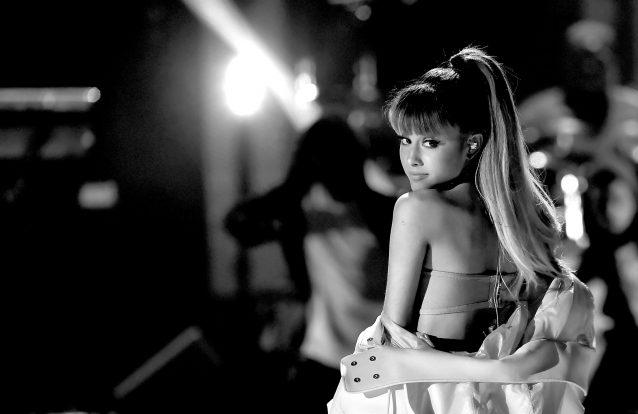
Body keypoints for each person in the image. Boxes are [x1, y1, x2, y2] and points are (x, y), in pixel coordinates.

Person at [327, 47, 596, 414]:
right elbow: (545, 343)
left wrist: (498, 370)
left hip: (426, 397)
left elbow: (392, 343)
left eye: (430, 142)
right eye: (405, 139)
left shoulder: (416, 209)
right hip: (500, 401)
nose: (412, 159)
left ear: (472, 143)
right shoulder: (529, 219)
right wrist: (500, 371)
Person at [224, 114, 397, 414]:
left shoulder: (384, 211)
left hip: (378, 357)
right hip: (323, 356)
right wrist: (294, 183)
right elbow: (238, 223)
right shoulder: (302, 211)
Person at [518, 20, 638, 414]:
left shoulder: (633, 111)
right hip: (562, 250)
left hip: (625, 246)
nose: (589, 69)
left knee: (624, 334)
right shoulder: (538, 114)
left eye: (597, 59)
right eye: (580, 60)